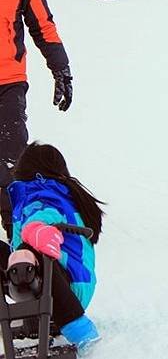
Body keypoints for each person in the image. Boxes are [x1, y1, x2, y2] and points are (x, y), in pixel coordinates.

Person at [0, 142, 104, 349]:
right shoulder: (40, 194)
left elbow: (46, 214)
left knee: (31, 253)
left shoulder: (46, 193)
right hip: (53, 284)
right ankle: (25, 318)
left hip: (68, 290)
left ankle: (81, 330)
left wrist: (36, 229)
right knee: (22, 253)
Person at [0, 0, 73, 241]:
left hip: (9, 81)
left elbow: (43, 26)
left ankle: (14, 229)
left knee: (11, 157)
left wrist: (61, 69)